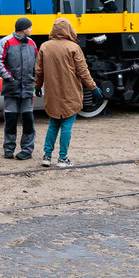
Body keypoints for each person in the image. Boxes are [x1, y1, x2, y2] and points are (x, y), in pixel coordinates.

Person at [34, 17, 102, 168]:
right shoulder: (73, 47)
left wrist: (37, 87)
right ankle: (62, 158)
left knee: (53, 124)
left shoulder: (45, 47)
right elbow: (83, 72)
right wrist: (93, 88)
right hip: (70, 92)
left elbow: (39, 71)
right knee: (67, 125)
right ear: (69, 30)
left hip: (52, 93)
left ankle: (46, 156)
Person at [0, 17, 38, 160]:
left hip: (26, 88)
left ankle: (27, 150)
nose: (31, 29)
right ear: (24, 29)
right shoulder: (5, 42)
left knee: (28, 120)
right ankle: (9, 148)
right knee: (11, 120)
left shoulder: (32, 43)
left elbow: (37, 65)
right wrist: (9, 78)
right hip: (12, 88)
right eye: (30, 27)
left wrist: (37, 83)